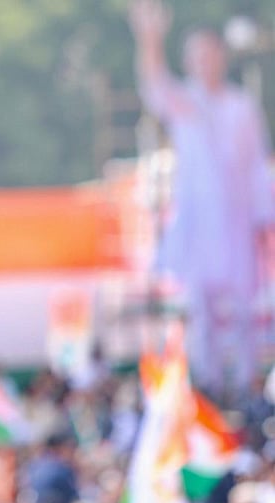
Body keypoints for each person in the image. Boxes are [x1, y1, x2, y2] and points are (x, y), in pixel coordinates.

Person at [129, 0, 275, 401]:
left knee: (244, 309)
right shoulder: (185, 103)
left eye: (211, 53)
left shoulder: (240, 107)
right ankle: (207, 385)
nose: (205, 61)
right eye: (197, 55)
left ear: (221, 57)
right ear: (189, 61)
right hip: (198, 224)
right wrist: (150, 38)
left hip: (237, 223)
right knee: (202, 311)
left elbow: (256, 168)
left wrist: (264, 218)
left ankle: (246, 386)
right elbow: (154, 85)